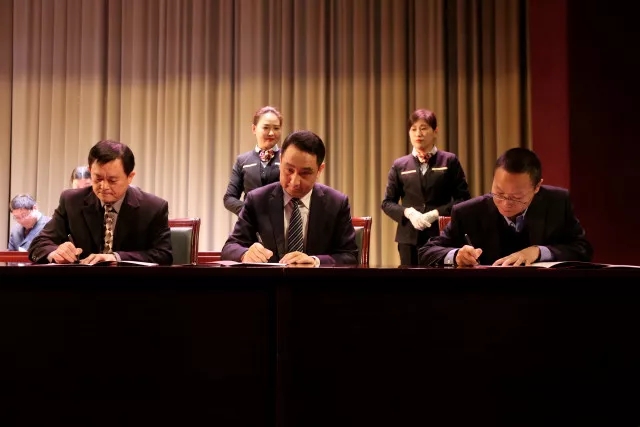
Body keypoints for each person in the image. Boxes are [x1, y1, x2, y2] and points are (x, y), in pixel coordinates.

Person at [418, 147, 593, 266]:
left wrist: (538, 252)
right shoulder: (468, 212)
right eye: (499, 193)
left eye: (517, 197)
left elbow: (582, 249)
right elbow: (426, 252)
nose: (506, 203)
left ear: (537, 187)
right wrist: (456, 256)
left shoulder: (557, 202)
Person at [221, 130, 359, 266]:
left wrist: (315, 261)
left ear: (319, 170)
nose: (294, 182)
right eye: (289, 170)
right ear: (281, 161)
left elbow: (350, 256)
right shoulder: (257, 200)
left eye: (305, 173)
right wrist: (245, 254)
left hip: (317, 280)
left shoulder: (336, 203)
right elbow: (230, 248)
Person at [28, 139, 173, 265]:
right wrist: (55, 253)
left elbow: (164, 255)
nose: (104, 186)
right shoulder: (72, 201)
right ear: (90, 170)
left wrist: (115, 257)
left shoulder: (153, 207)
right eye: (98, 178)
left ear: (130, 177)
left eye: (112, 180)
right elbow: (38, 245)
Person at [381, 108, 471, 265]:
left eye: (423, 128)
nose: (418, 134)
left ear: (435, 131)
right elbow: (387, 203)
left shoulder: (449, 161)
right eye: (413, 129)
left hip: (441, 235)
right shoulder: (400, 165)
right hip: (408, 238)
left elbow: (463, 199)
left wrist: (436, 214)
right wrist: (408, 213)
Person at [223, 106, 283, 215]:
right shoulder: (242, 160)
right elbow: (229, 198)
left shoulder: (287, 158)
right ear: (254, 129)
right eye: (266, 127)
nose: (271, 133)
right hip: (249, 223)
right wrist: (249, 211)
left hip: (281, 222)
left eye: (276, 128)